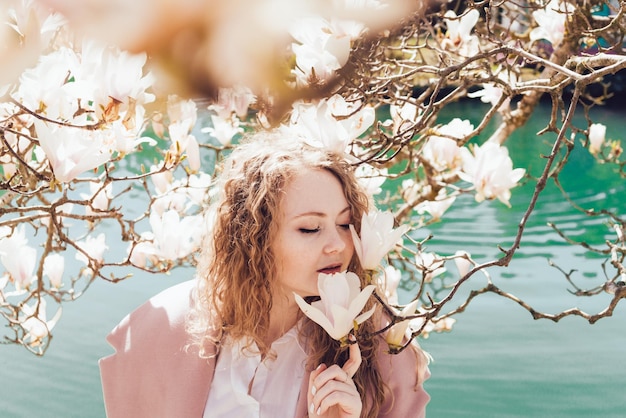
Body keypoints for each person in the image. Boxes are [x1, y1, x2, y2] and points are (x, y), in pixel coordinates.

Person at [99, 130, 430, 417]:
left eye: (345, 224)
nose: (338, 244)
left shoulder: (382, 348)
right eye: (310, 228)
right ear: (254, 237)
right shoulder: (166, 327)